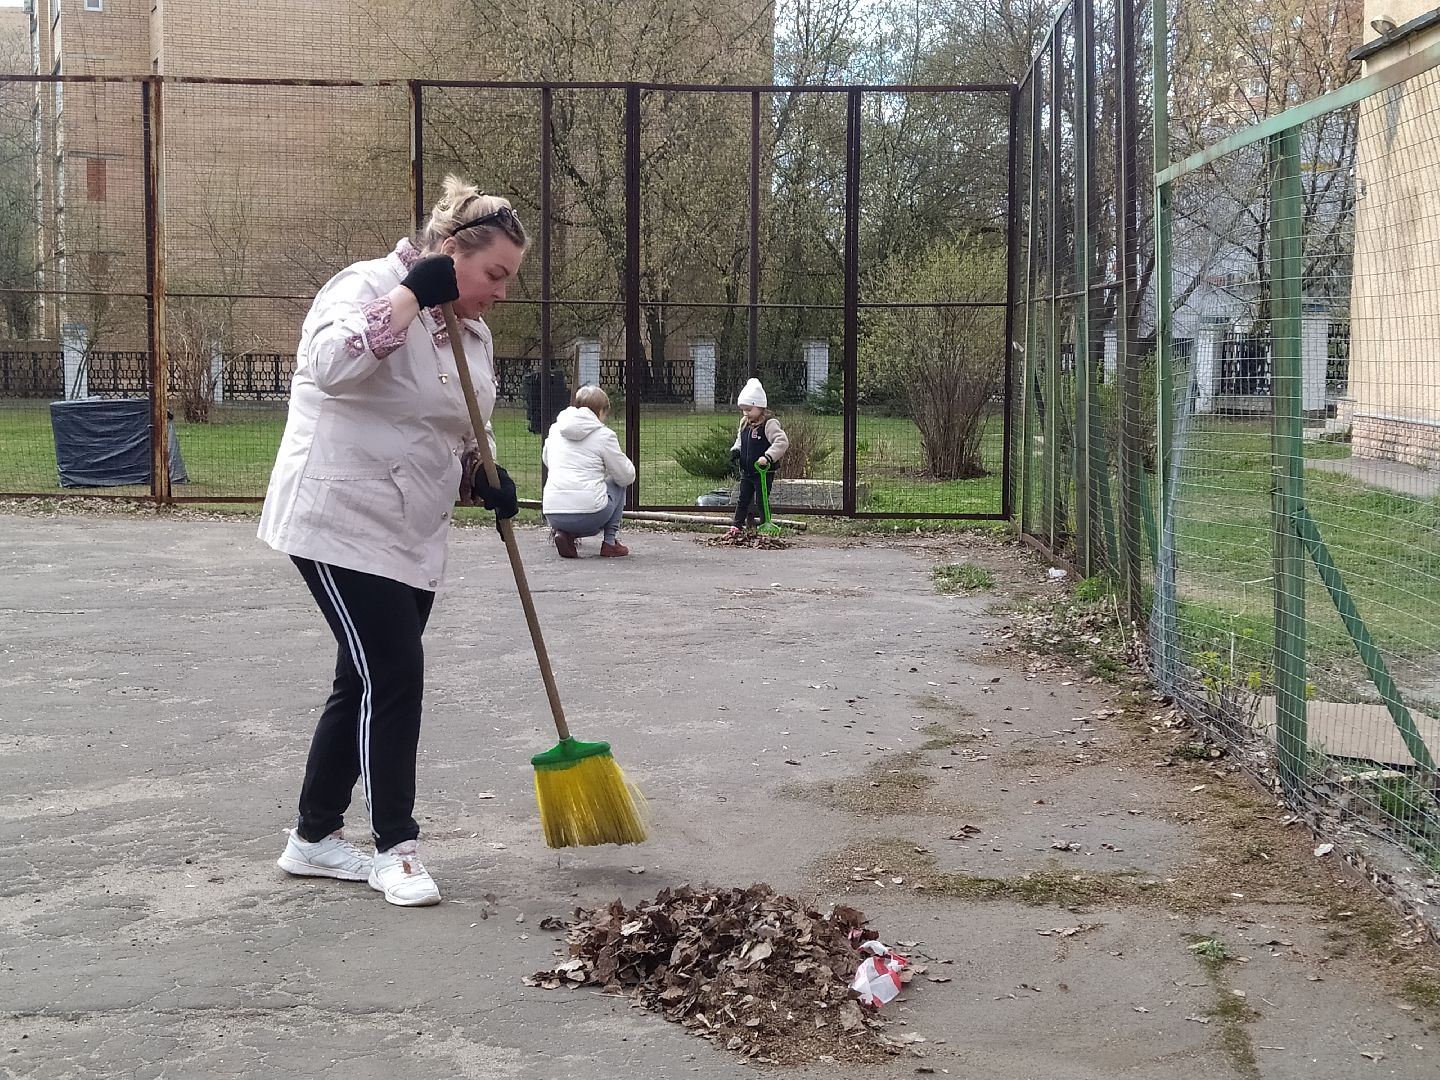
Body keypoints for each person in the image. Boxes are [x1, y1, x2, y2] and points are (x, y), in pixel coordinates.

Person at [258, 175, 526, 907]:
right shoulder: (366, 285)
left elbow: (464, 420)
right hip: (338, 515)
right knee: (395, 673)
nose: (501, 293)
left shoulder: (471, 330)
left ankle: (313, 838)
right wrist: (411, 295)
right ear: (449, 253)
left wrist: (484, 474)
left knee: (365, 677)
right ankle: (395, 848)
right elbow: (330, 367)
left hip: (410, 529)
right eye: (493, 275)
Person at [541, 385, 636, 558]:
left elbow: (547, 460)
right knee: (618, 481)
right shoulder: (604, 435)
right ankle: (610, 542)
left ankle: (567, 534)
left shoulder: (556, 430)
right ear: (600, 411)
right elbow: (626, 476)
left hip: (552, 512)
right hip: (591, 514)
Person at [726, 378, 789, 539]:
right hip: (747, 470)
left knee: (762, 499)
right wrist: (736, 450)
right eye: (743, 410)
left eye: (749, 409)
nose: (746, 413)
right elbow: (740, 439)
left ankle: (764, 524)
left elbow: (781, 442)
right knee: (743, 499)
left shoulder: (769, 424)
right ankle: (737, 525)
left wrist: (768, 457)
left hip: (763, 471)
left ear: (760, 406)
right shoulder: (744, 423)